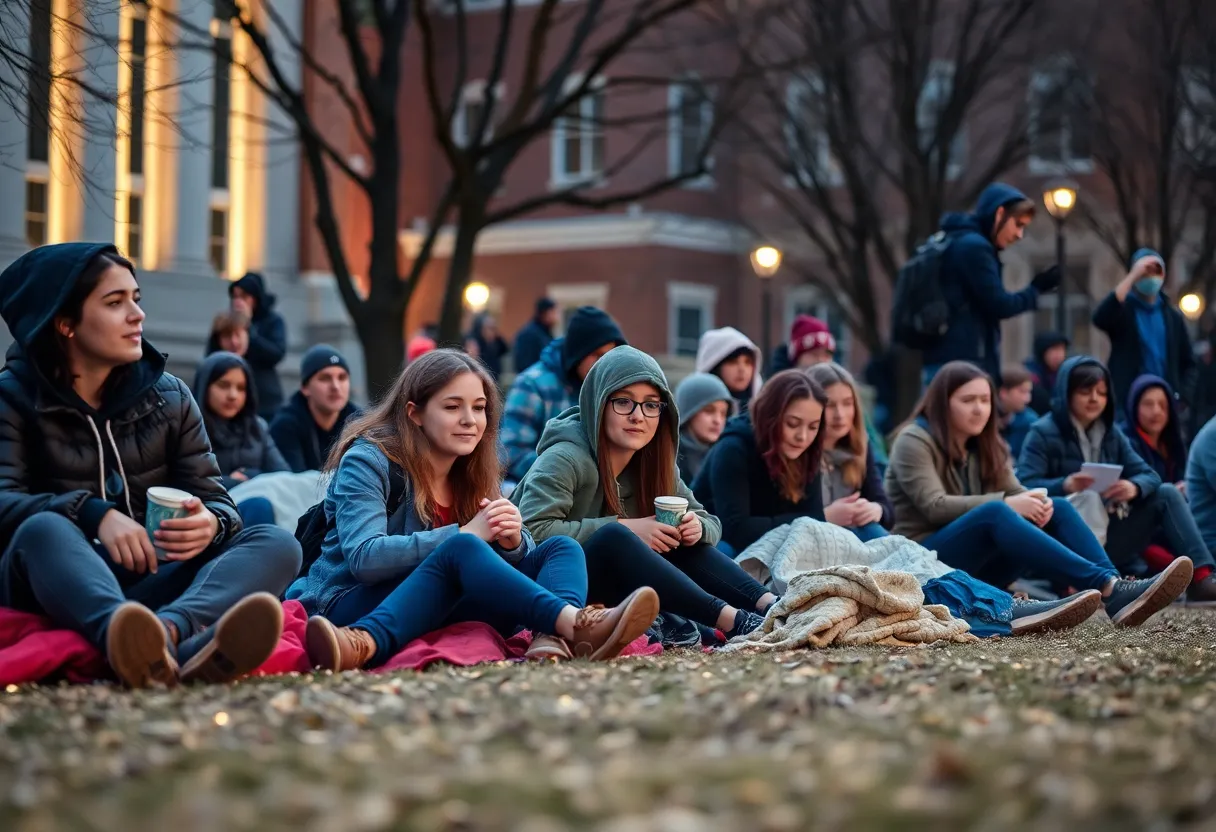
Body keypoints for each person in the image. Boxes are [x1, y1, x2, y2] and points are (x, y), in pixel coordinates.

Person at [0, 244, 303, 687]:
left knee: (277, 542)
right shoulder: (11, 398)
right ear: (64, 323)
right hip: (59, 584)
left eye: (136, 299)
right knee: (42, 530)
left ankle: (162, 635)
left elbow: (219, 502)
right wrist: (92, 513)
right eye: (115, 302)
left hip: (154, 576)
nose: (137, 314)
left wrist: (211, 524)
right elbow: (4, 503)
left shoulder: (171, 397)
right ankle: (154, 642)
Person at [288, 349, 658, 669]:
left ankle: (552, 637)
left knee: (561, 548)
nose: (470, 420)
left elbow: (495, 557)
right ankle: (576, 625)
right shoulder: (370, 460)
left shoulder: (474, 464)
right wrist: (467, 534)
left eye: (479, 408)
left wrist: (513, 543)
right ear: (415, 413)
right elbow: (364, 559)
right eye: (453, 407)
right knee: (462, 548)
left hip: (440, 602)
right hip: (349, 605)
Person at [886, 360, 1190, 627]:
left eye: (985, 400)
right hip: (924, 561)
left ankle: (1115, 587)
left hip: (978, 563)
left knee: (1055, 506)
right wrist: (1010, 503)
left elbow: (1018, 492)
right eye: (968, 400)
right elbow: (934, 506)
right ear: (943, 403)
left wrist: (1037, 504)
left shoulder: (986, 443)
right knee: (997, 511)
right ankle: (1106, 585)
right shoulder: (914, 440)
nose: (979, 408)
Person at [513, 346, 776, 640]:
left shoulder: (655, 462)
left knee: (676, 535)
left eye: (651, 405)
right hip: (550, 589)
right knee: (615, 536)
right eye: (624, 402)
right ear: (599, 403)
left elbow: (710, 522)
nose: (638, 416)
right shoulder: (564, 457)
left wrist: (696, 528)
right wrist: (630, 528)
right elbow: (531, 532)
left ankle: (770, 605)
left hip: (617, 589)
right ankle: (733, 620)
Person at [1016, 357, 1216, 601]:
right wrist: (1065, 485)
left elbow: (1149, 475)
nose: (1094, 399)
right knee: (1085, 499)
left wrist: (1133, 487)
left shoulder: (1111, 432)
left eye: (1101, 393)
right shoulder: (1042, 432)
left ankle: (1201, 578)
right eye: (1085, 392)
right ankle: (1084, 585)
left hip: (1109, 533)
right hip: (1060, 540)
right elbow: (1023, 486)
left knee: (1167, 493)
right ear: (1066, 393)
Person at [921, 183, 1060, 385]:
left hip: (946, 358)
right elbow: (1000, 304)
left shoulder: (955, 240)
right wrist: (1036, 289)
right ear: (1000, 213)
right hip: (966, 361)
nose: (1019, 235)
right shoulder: (975, 248)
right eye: (1018, 224)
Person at [693, 371, 828, 555]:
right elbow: (737, 530)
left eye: (813, 427)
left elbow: (817, 518)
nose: (802, 437)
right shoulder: (733, 448)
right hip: (712, 543)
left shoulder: (808, 452)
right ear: (771, 416)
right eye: (792, 423)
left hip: (772, 545)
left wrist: (803, 521)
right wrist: (801, 521)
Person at [500, 307, 626, 483]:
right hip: (538, 489)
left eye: (610, 355)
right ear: (578, 353)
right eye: (597, 355)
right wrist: (566, 472)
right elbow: (511, 452)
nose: (604, 363)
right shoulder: (532, 384)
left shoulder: (615, 388)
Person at [1092, 248, 1196, 420]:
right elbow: (1100, 318)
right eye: (1144, 272)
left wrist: (1183, 396)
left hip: (1165, 404)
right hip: (1127, 405)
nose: (1150, 277)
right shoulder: (1124, 312)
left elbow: (1189, 363)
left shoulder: (1172, 317)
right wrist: (1132, 276)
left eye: (1156, 271)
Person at [192, 352, 290, 526]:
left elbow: (283, 476)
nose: (233, 395)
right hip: (207, 513)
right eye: (223, 385)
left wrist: (251, 476)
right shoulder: (190, 427)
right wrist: (232, 482)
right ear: (205, 386)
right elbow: (188, 480)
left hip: (252, 510)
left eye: (241, 388)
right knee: (259, 507)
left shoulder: (257, 427)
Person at [805, 363, 894, 541]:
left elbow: (887, 509)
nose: (840, 414)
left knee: (872, 528)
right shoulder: (798, 449)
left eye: (847, 403)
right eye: (830, 405)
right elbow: (784, 517)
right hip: (813, 541)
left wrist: (875, 509)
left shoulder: (860, 445)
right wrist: (826, 516)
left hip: (855, 539)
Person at [207, 272, 287, 421]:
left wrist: (250, 330)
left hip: (264, 398)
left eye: (244, 297)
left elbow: (276, 353)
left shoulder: (272, 321)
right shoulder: (226, 321)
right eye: (235, 297)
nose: (238, 302)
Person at [270, 345, 360, 473]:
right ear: (305, 388)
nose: (336, 386)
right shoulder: (285, 425)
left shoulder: (360, 423)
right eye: (325, 378)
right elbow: (292, 481)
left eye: (342, 378)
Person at [675, 373, 733, 484]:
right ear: (689, 413)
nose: (717, 420)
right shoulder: (667, 456)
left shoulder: (727, 455)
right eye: (709, 411)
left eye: (723, 413)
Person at [695, 327, 763, 415]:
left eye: (748, 362)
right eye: (733, 362)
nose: (742, 369)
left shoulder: (762, 411)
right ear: (715, 365)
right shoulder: (695, 412)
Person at [997, 365, 1038, 457]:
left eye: (1029, 392)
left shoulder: (1030, 422)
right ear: (1004, 393)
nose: (1028, 399)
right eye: (1022, 392)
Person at [1025, 331, 1069, 417]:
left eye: (1062, 350)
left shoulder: (1065, 372)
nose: (1059, 355)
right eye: (1054, 350)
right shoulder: (1030, 373)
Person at [513, 297, 558, 374]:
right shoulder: (530, 334)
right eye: (554, 312)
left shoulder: (545, 333)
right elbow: (524, 364)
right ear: (546, 313)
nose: (556, 317)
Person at [464, 313, 510, 382]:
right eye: (489, 328)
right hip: (480, 378)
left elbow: (505, 349)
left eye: (494, 328)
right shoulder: (474, 341)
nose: (492, 331)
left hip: (494, 378)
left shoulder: (496, 341)